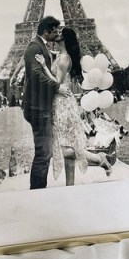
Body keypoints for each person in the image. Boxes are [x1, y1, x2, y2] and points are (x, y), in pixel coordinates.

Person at [35, 26, 113, 184]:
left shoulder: (64, 58)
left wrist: (43, 66)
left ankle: (98, 158)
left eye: (59, 33)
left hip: (62, 104)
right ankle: (70, 187)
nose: (55, 33)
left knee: (63, 149)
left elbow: (56, 82)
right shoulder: (62, 56)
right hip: (62, 102)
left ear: (63, 39)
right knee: (67, 148)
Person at [21, 16, 70, 190]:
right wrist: (57, 87)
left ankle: (38, 190)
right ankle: (37, 193)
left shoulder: (41, 47)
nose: (57, 33)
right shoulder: (35, 47)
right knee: (44, 154)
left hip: (39, 107)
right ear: (46, 31)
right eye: (55, 30)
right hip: (39, 108)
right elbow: (36, 75)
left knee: (44, 153)